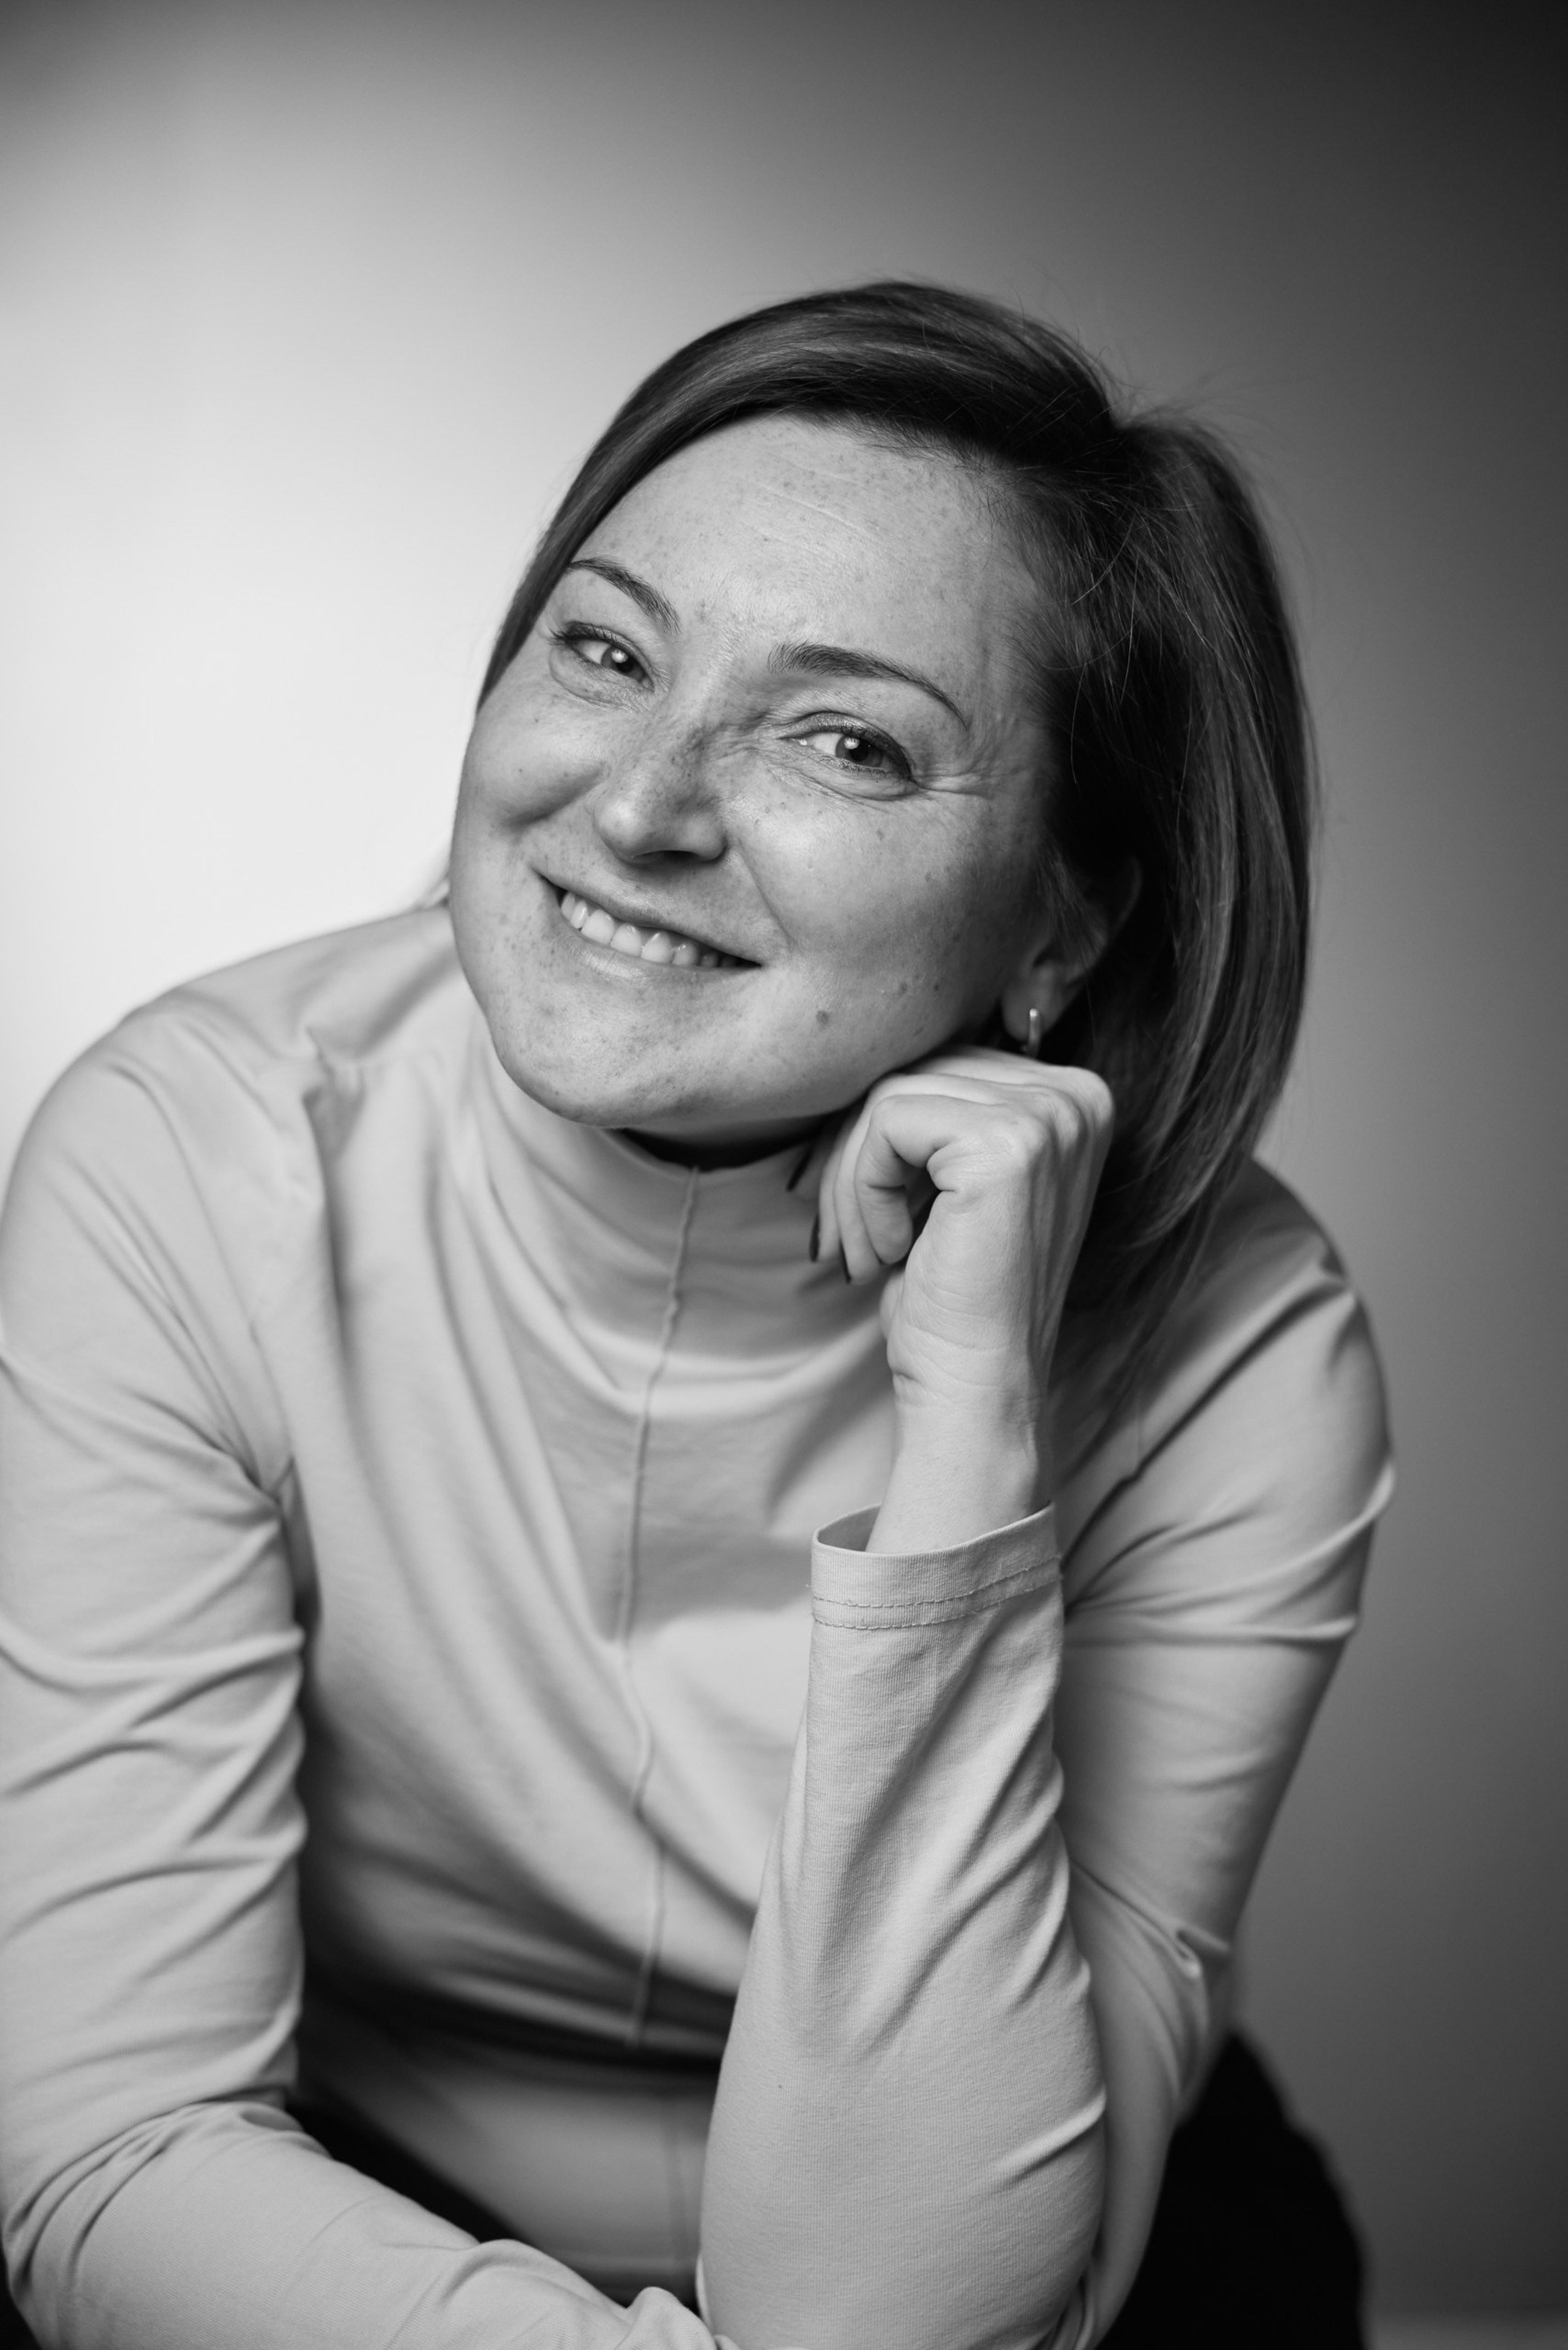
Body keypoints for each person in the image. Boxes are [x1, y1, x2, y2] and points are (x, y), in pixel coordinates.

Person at [0, 282, 1392, 2350]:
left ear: (1067, 919)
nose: (641, 805)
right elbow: (112, 2151)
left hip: (1018, 2192)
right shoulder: (187, 1157)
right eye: (607, 649)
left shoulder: (1247, 1346)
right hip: (326, 2202)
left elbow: (938, 2322)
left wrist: (973, 1424)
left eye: (847, 739)